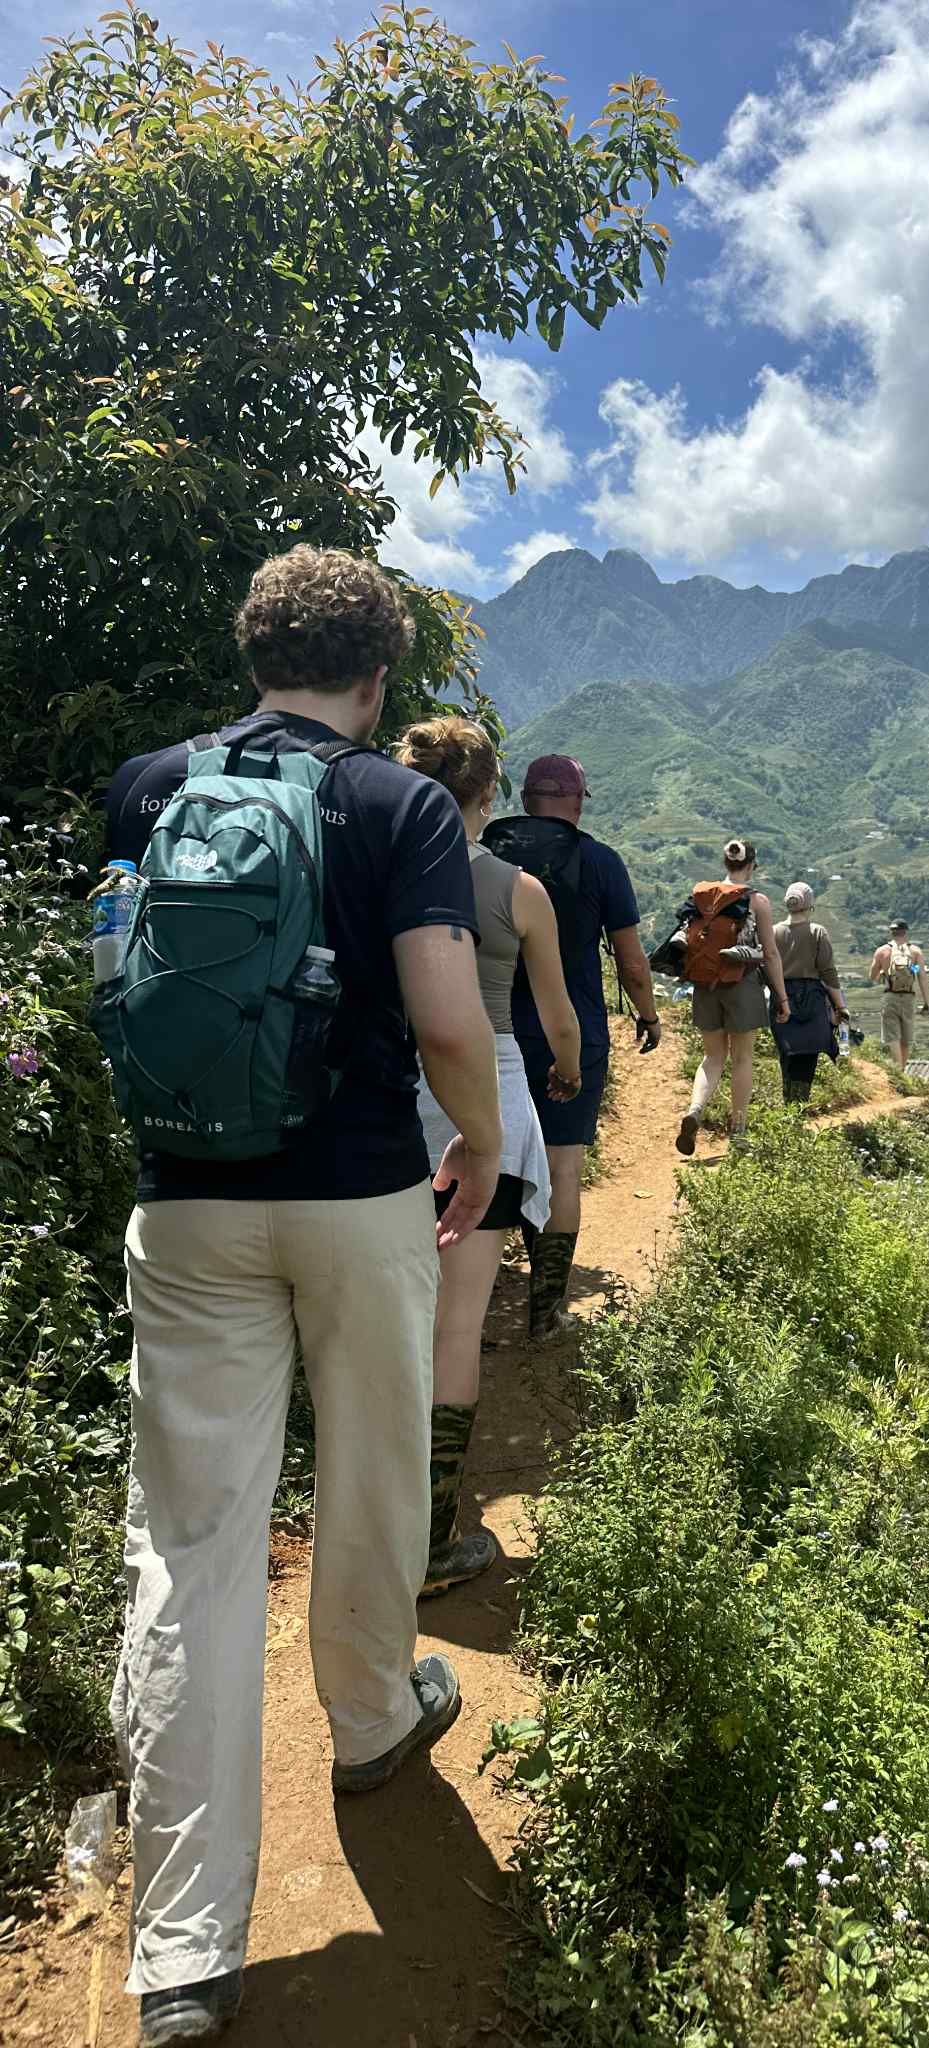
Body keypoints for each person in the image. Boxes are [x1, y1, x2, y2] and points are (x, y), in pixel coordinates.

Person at [102, 547, 502, 2043]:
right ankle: (371, 1721)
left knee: (192, 1541)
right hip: (357, 1202)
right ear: (379, 673)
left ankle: (185, 1953)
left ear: (253, 646)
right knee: (370, 1471)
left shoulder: (151, 786)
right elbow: (449, 1017)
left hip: (187, 1205)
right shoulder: (396, 805)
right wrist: (472, 1141)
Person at [392, 717, 582, 1596]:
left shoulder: (373, 874)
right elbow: (559, 1015)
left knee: (380, 1322)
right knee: (455, 1324)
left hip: (387, 1105)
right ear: (489, 796)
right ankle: (430, 1538)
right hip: (488, 1102)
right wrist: (571, 1072)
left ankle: (368, 1525)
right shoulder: (518, 889)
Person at [488, 755, 662, 1341]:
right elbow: (633, 961)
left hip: (487, 1029)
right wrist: (648, 1016)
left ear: (527, 797)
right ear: (579, 800)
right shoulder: (600, 861)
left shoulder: (489, 853)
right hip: (573, 1033)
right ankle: (545, 1308)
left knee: (481, 1154)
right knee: (562, 1165)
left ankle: (465, 1297)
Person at [675, 838, 790, 1154]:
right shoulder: (757, 901)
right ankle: (738, 1133)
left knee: (712, 1058)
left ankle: (695, 1109)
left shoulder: (702, 898)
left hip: (704, 984)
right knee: (742, 1058)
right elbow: (770, 954)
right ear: (751, 865)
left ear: (726, 863)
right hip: (741, 985)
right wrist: (782, 998)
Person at [770, 880, 848, 1103]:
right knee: (807, 1056)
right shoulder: (817, 932)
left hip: (780, 997)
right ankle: (799, 1107)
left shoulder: (773, 932)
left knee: (787, 1055)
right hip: (811, 1000)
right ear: (810, 905)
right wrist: (840, 1006)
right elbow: (828, 973)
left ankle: (788, 1106)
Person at [868, 918, 929, 1068]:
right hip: (909, 997)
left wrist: (884, 972)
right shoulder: (915, 952)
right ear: (905, 932)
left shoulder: (883, 951)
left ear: (891, 932)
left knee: (892, 1036)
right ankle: (903, 1068)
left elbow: (872, 976)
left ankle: (898, 1070)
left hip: (890, 996)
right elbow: (921, 977)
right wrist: (926, 1002)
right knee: (906, 1037)